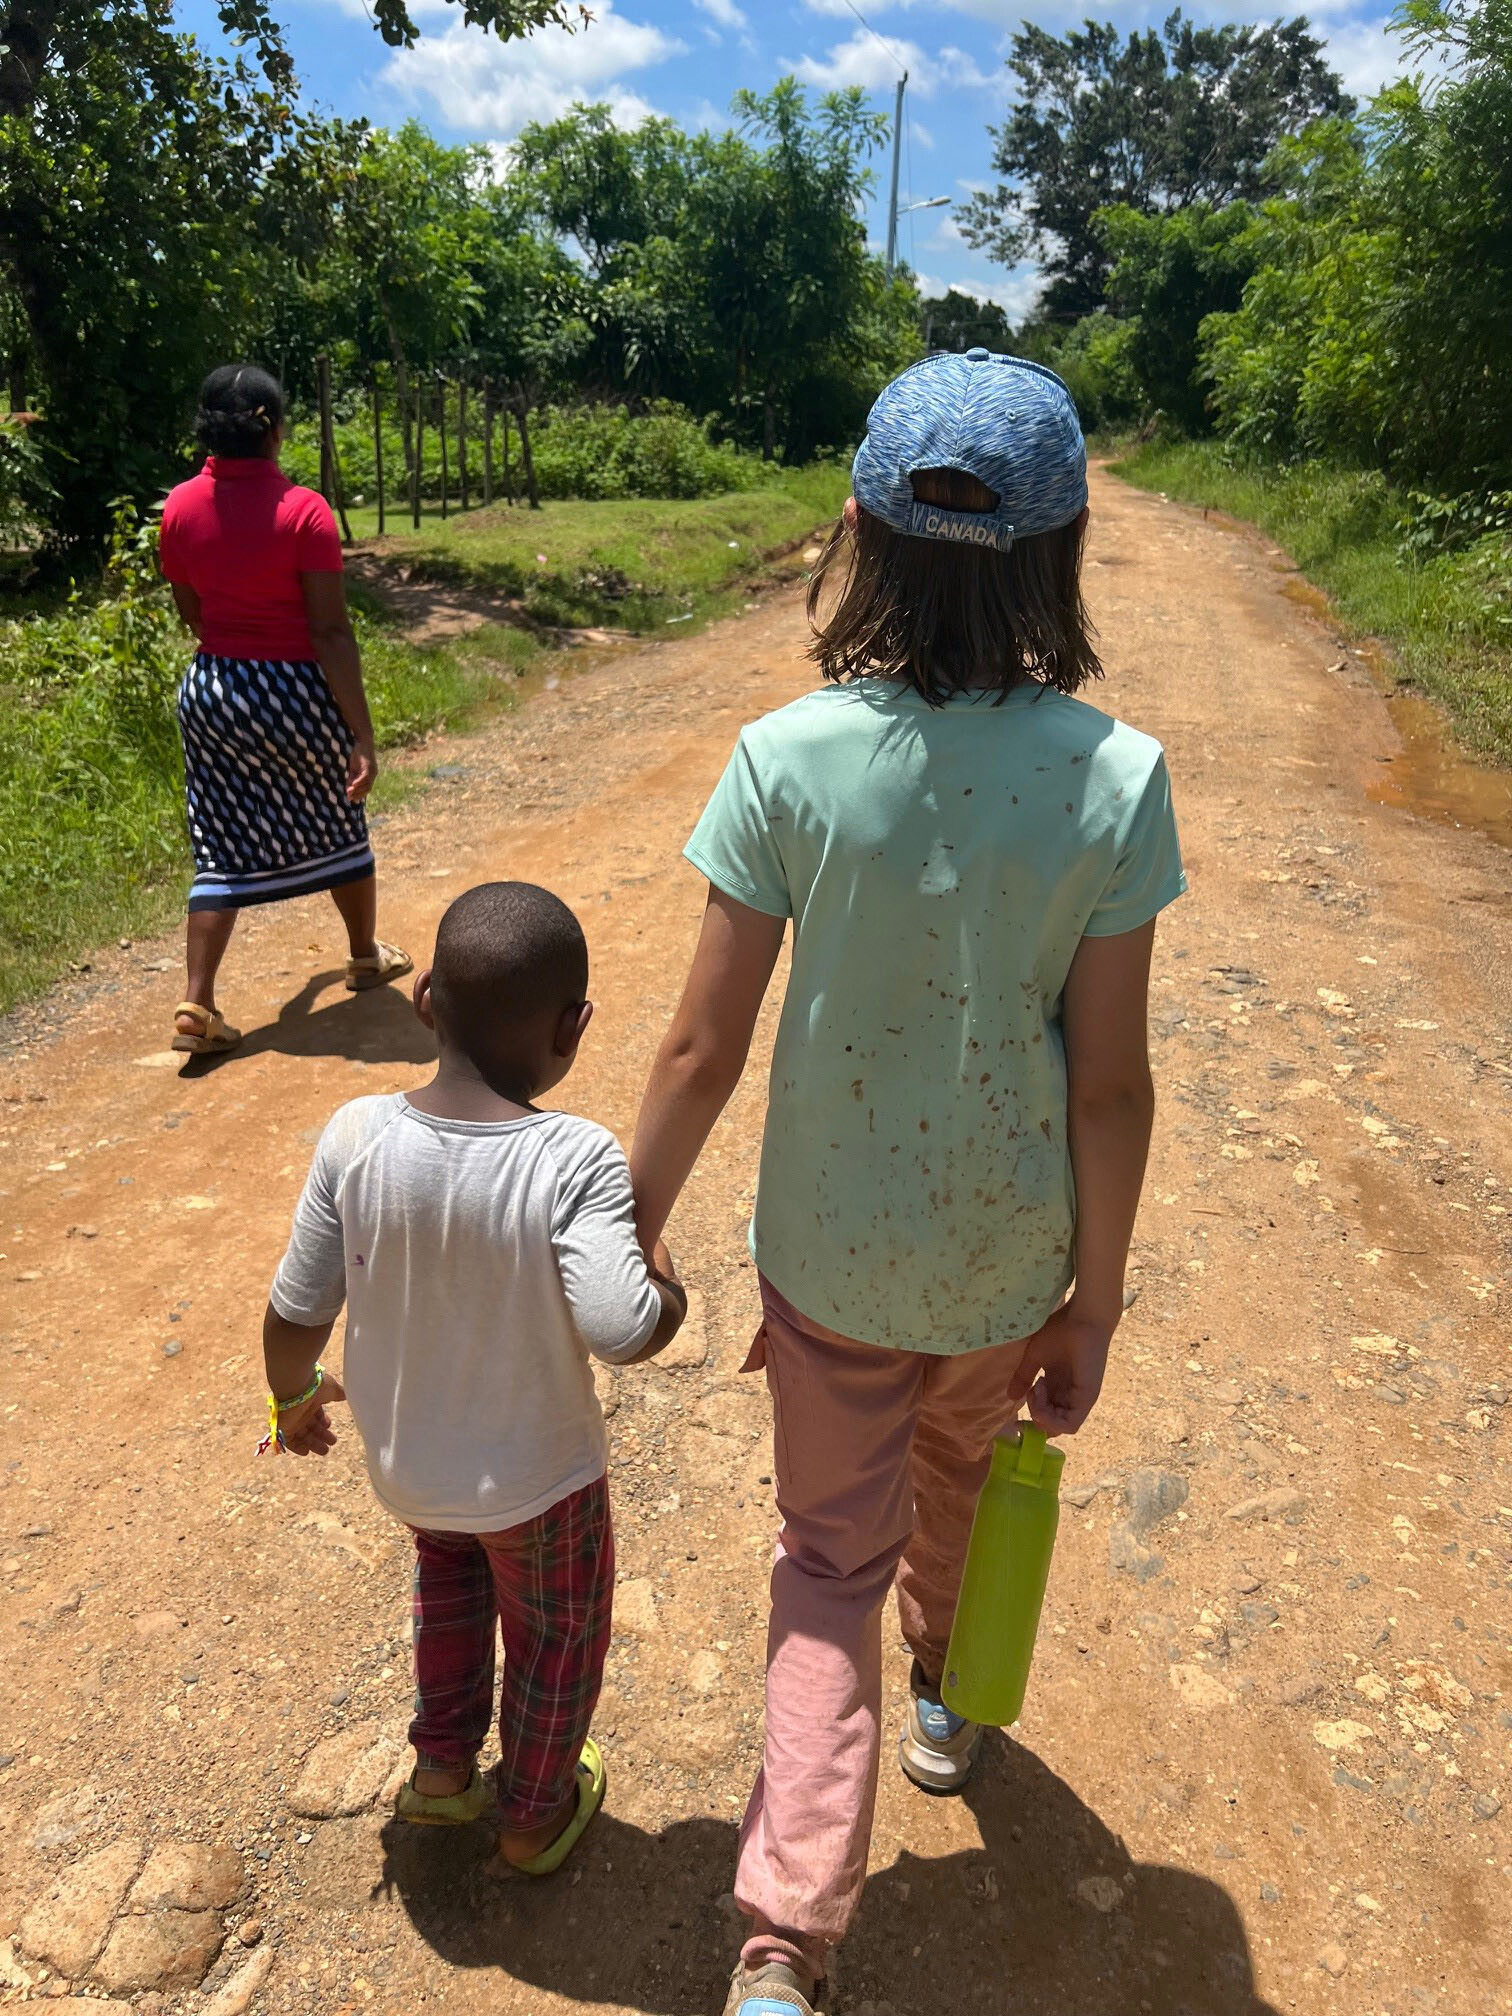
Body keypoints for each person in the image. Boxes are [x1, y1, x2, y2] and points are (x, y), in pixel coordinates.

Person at [629, 350, 1186, 2015]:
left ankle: (785, 1940)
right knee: (958, 1475)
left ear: (859, 532)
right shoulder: (1114, 776)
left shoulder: (785, 754)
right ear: (1061, 547)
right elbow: (1110, 1079)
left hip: (829, 1263)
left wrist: (624, 1225)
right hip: (1005, 1264)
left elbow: (698, 1052)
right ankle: (946, 1695)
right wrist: (1092, 1302)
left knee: (826, 1560)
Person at [262, 881, 687, 1872]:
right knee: (555, 1643)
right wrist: (667, 1282)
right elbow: (623, 1327)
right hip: (540, 1486)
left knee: (449, 1604)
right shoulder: (571, 1154)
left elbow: (295, 1311)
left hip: (415, 1473)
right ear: (572, 1027)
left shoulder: (355, 1135)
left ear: (423, 1002)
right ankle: (535, 1811)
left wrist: (292, 1398)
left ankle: (442, 1776)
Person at [158, 363, 411, 1056]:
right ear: (273, 430)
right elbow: (330, 630)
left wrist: (232, 654)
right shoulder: (305, 511)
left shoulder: (178, 507)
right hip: (294, 690)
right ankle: (364, 955)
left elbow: (192, 609)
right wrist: (361, 733)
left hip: (212, 691)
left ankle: (197, 1001)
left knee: (219, 842)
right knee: (339, 816)